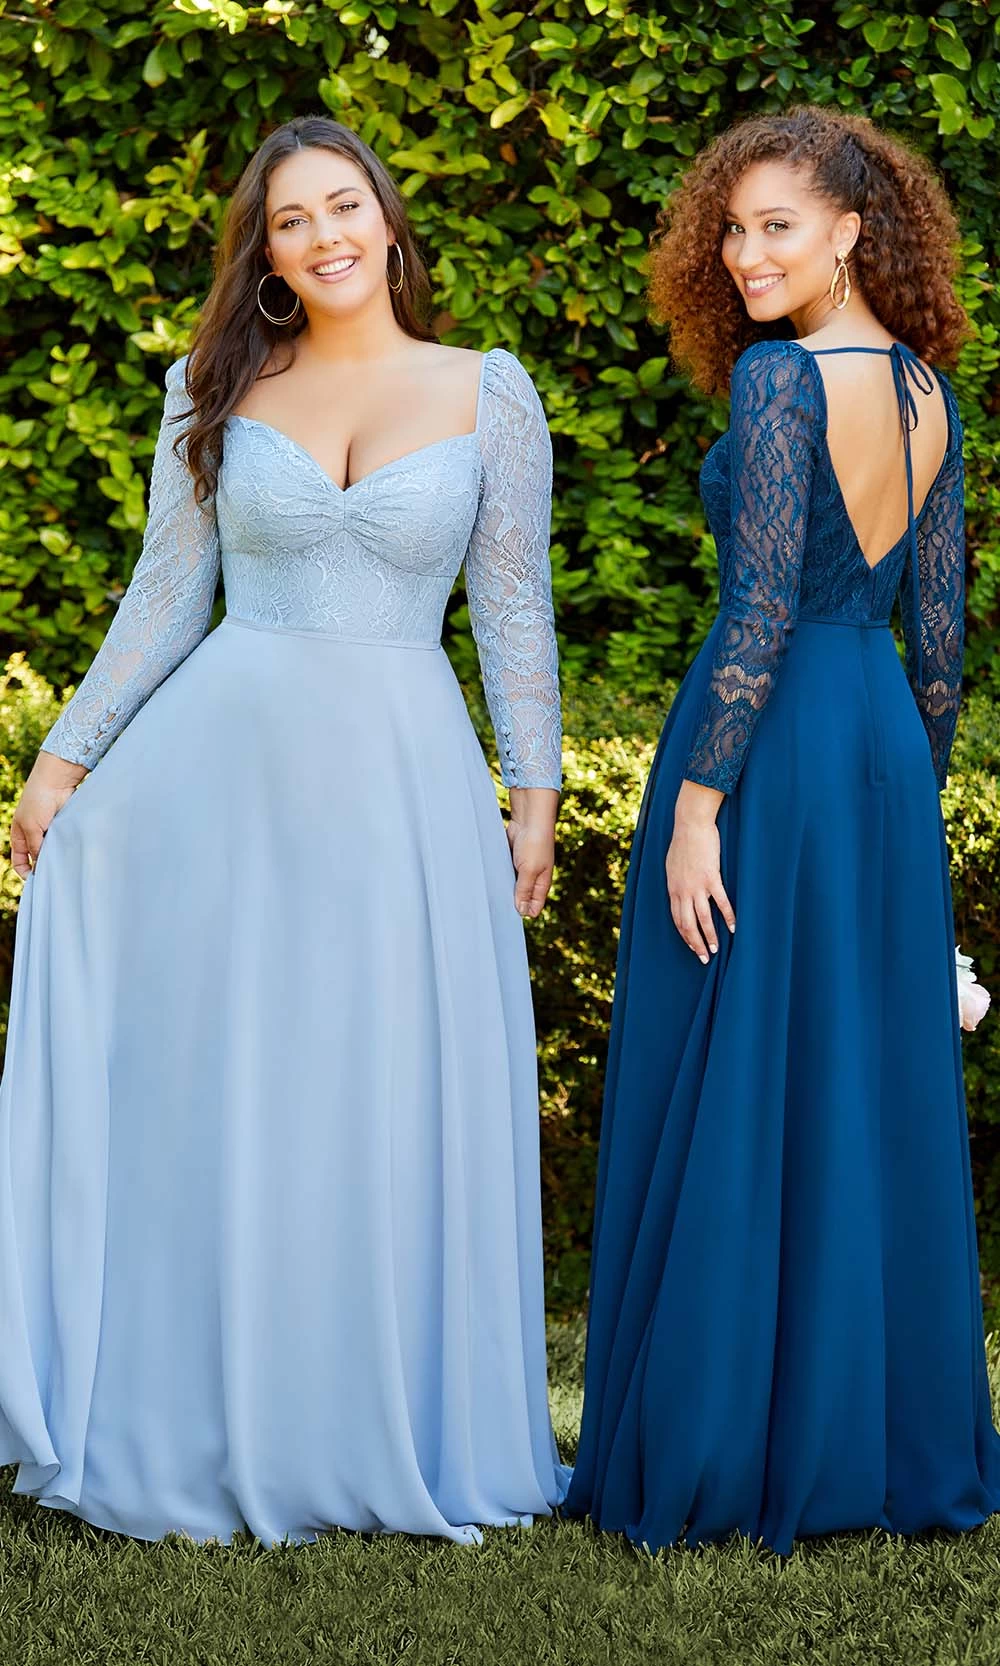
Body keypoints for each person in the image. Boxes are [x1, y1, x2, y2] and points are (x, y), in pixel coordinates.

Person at [0, 115, 568, 1545]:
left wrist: (534, 796)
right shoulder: (216, 392)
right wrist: (62, 762)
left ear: (387, 219)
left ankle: (366, 1414)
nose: (323, 237)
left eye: (343, 206)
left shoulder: (486, 390)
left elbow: (514, 612)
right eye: (291, 219)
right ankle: (200, 1403)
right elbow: (162, 596)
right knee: (235, 1088)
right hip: (223, 780)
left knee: (376, 1087)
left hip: (402, 782)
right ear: (264, 253)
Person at [566, 105, 1000, 1555]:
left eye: (777, 227)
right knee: (851, 1089)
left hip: (763, 746)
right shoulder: (931, 393)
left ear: (850, 232)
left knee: (738, 1070)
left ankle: (719, 1444)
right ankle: (867, 1440)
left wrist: (699, 807)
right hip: (874, 745)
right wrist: (903, 824)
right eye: (735, 228)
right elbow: (940, 645)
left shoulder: (776, 382)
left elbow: (756, 610)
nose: (746, 255)